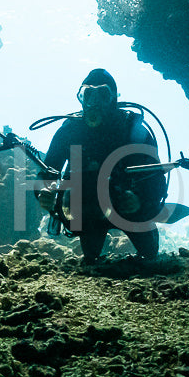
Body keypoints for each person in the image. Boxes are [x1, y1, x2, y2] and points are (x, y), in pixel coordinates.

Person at [37, 69, 165, 263]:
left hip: (127, 207)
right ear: (80, 97)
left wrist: (140, 200)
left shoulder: (132, 129)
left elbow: (156, 178)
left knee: (149, 254)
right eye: (88, 93)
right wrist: (44, 194)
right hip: (88, 209)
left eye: (103, 94)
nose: (94, 102)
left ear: (113, 97)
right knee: (91, 255)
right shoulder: (69, 131)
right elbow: (46, 172)